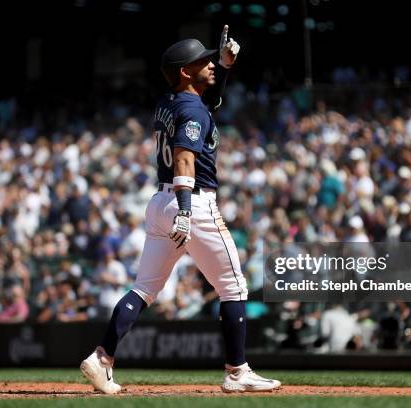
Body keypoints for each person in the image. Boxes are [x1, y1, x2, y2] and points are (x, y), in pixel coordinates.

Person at [80, 26, 281, 394]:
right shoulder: (191, 108)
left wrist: (224, 63)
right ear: (185, 71)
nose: (210, 64)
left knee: (144, 288)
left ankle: (102, 357)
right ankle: (237, 372)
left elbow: (206, 105)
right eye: (202, 61)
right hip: (191, 200)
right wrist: (186, 212)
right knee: (234, 287)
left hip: (160, 202)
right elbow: (185, 161)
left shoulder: (171, 101)